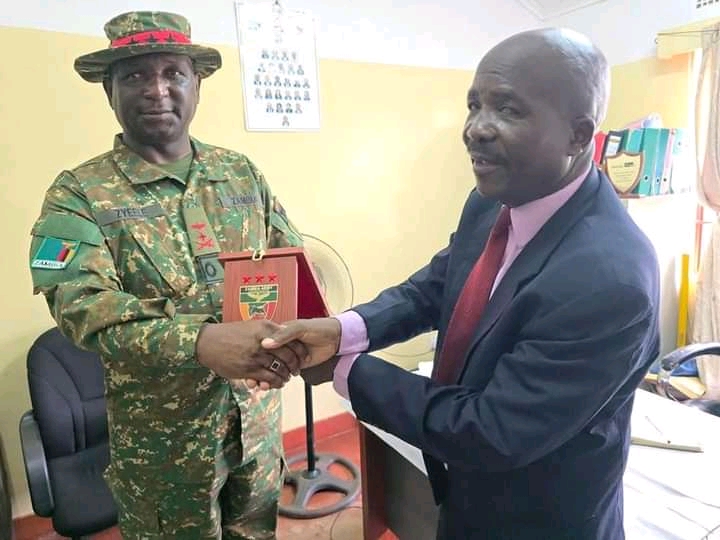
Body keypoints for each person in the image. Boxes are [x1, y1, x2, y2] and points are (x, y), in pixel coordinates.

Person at [262, 28, 660, 539]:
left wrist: (345, 371)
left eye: (508, 110)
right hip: (462, 493)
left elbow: (492, 431)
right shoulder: (492, 200)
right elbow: (437, 286)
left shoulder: (609, 280)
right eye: (474, 105)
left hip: (538, 521)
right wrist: (342, 330)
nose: (475, 129)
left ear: (578, 135)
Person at [29, 11, 305, 539]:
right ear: (109, 90)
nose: (157, 90)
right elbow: (79, 306)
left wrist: (304, 336)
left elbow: (289, 264)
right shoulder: (77, 194)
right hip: (165, 454)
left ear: (196, 84)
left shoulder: (240, 173)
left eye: (173, 73)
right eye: (135, 75)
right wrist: (199, 341)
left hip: (258, 425)